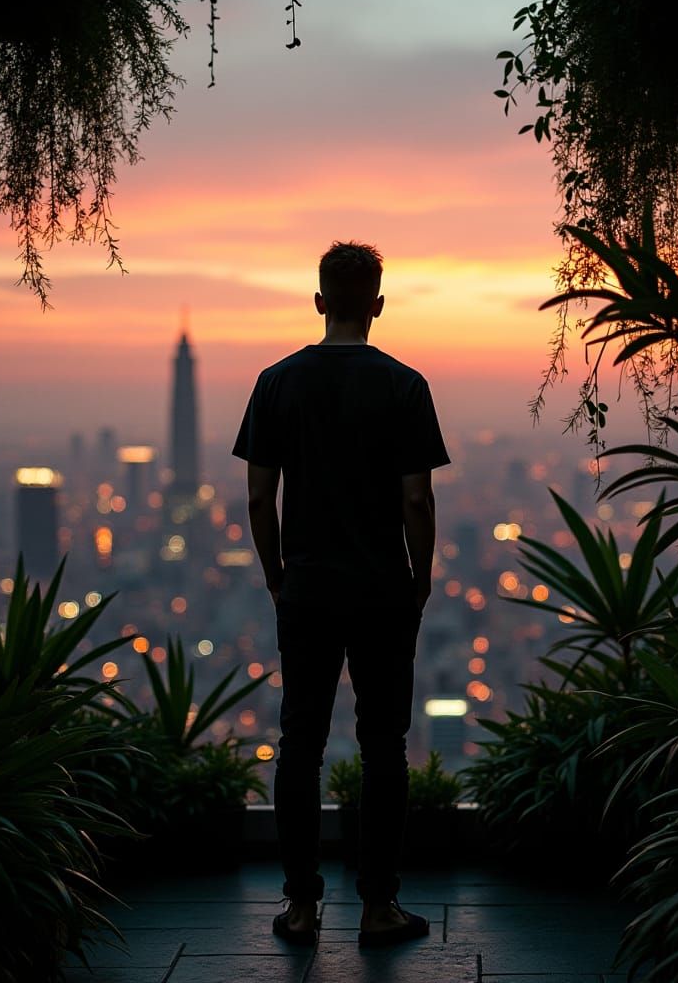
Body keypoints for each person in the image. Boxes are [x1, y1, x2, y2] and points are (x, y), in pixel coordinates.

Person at [232, 240, 451, 948]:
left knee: (300, 740)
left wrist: (276, 574)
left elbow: (260, 498)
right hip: (384, 587)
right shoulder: (405, 384)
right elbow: (416, 498)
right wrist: (421, 578)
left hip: (309, 587)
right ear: (378, 305)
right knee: (384, 742)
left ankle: (300, 906)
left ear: (320, 301)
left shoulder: (277, 381)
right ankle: (380, 906)